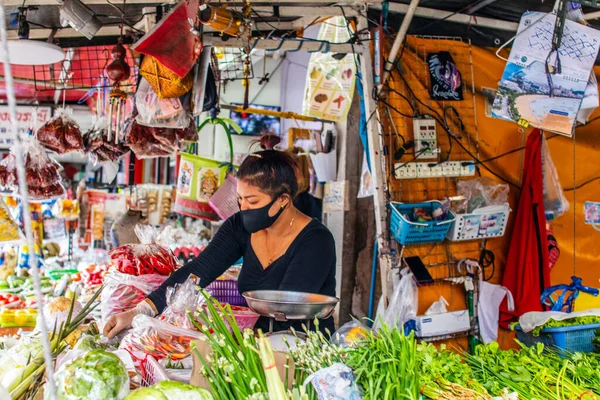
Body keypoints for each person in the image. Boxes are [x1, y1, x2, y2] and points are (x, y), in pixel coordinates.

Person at [104, 149, 337, 338]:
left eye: (253, 201)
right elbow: (198, 271)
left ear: (283, 200)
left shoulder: (316, 242)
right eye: (240, 199)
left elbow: (283, 309)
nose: (243, 208)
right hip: (253, 345)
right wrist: (138, 311)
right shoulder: (240, 226)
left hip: (302, 350)